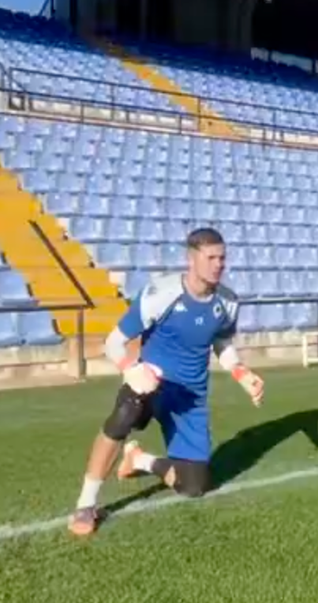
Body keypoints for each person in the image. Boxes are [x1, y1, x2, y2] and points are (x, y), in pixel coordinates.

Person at [68, 227, 266, 537]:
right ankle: (86, 503)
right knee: (124, 415)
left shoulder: (228, 302)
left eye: (222, 258)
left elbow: (221, 342)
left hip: (190, 398)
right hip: (152, 384)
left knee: (194, 486)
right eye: (211, 257)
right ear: (191, 258)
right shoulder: (160, 294)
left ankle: (140, 459)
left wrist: (242, 372)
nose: (219, 264)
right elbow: (113, 342)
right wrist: (131, 369)